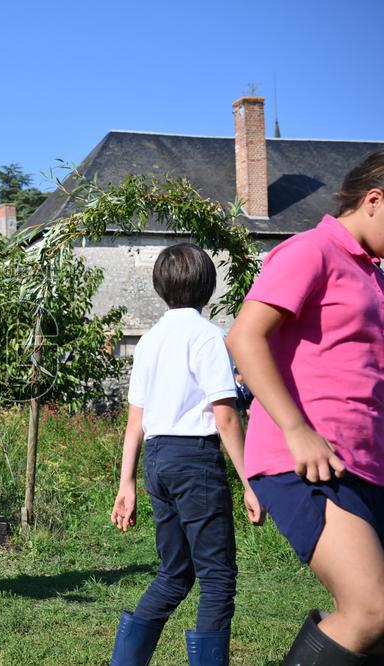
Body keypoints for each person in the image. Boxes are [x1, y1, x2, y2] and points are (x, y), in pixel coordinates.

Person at [226, 151, 384, 665]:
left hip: (364, 465)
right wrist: (297, 430)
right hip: (307, 460)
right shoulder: (310, 250)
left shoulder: (374, 277)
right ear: (375, 201)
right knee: (369, 611)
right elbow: (245, 338)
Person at [109, 243, 262, 666]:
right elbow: (226, 417)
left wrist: (127, 484)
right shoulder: (209, 337)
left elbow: (134, 421)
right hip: (195, 460)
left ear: (160, 287)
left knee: (175, 573)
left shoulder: (149, 341)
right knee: (216, 578)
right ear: (208, 287)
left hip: (157, 460)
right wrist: (252, 482)